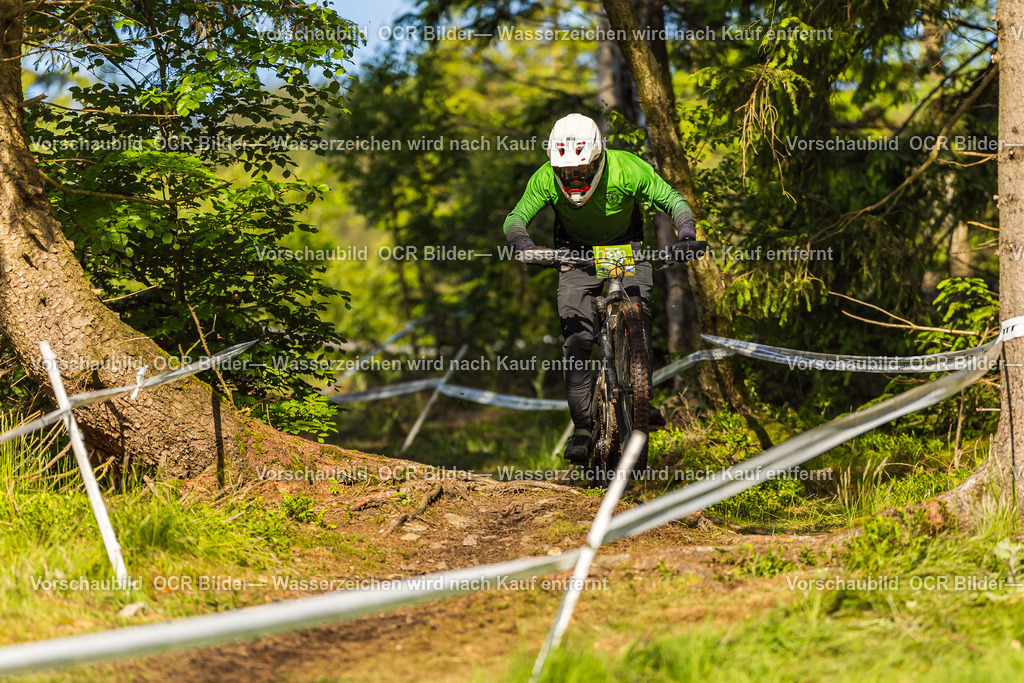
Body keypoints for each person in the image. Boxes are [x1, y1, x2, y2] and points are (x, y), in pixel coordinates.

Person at [503, 113, 702, 462]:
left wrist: (686, 234)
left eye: (581, 171)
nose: (574, 179)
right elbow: (515, 218)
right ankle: (582, 428)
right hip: (574, 254)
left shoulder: (627, 168)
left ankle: (640, 399)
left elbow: (674, 200)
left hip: (625, 249)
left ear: (598, 160)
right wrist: (524, 244)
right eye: (566, 172)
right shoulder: (545, 178)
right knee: (577, 342)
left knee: (639, 314)